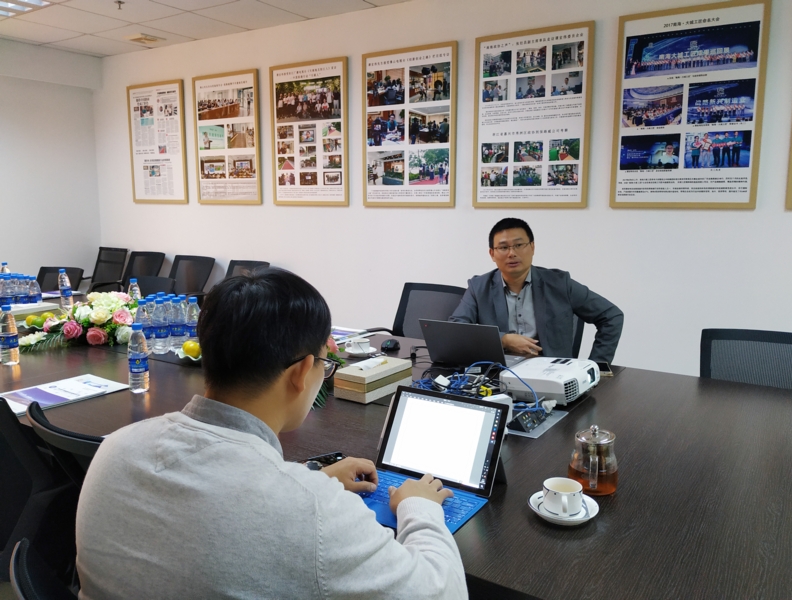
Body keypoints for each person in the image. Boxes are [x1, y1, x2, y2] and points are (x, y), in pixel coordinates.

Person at [76, 269, 467, 599]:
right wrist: (420, 508)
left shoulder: (116, 450)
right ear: (301, 372)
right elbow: (445, 591)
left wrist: (309, 476)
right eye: (325, 365)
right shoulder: (313, 511)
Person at [450, 218, 623, 363]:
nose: (511, 253)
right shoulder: (479, 287)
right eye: (503, 247)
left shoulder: (560, 284)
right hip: (498, 374)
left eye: (519, 245)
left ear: (532, 247)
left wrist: (597, 366)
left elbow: (611, 316)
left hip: (552, 373)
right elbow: (456, 329)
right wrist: (503, 340)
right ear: (492, 254)